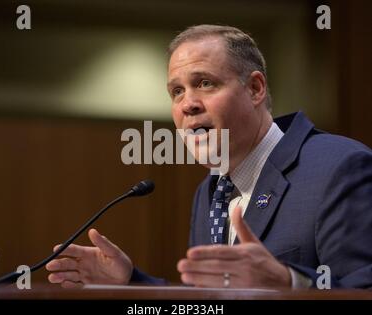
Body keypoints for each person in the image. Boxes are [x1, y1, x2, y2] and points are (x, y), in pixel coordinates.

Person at [46, 25, 372, 289]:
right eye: (177, 91)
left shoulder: (339, 167)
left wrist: (290, 282)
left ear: (255, 89)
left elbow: (363, 287)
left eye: (204, 83)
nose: (188, 104)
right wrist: (130, 283)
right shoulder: (211, 191)